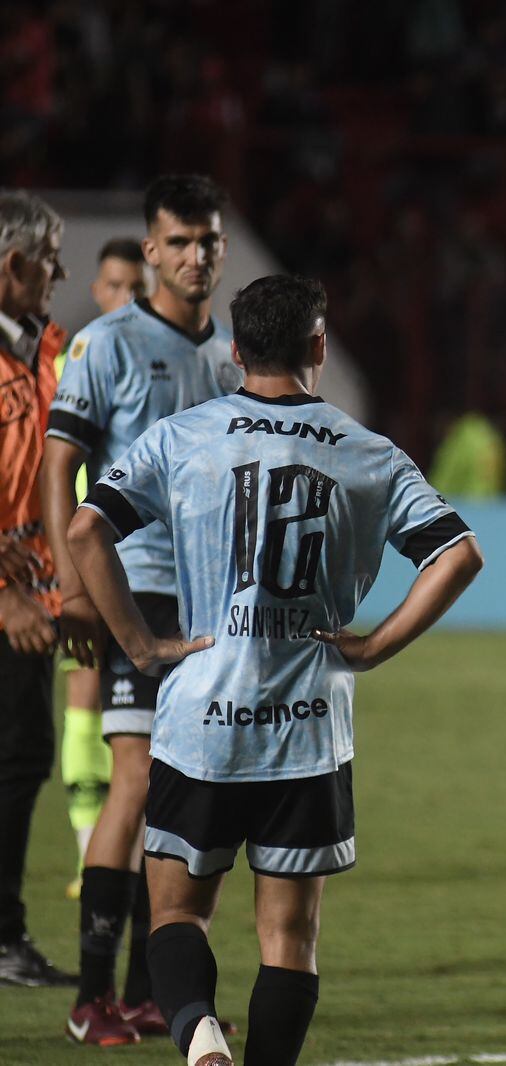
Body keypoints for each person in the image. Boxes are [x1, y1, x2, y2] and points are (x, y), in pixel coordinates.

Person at [67, 273, 484, 1066]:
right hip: (309, 728)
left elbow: (88, 531)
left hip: (202, 725)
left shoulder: (183, 436)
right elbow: (458, 554)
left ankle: (198, 1036)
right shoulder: (369, 454)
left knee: (177, 916)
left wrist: (144, 646)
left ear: (234, 350)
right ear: (319, 346)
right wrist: (373, 645)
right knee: (289, 938)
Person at [46, 175, 241, 1045]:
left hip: (210, 600)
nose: (197, 256)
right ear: (151, 250)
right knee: (135, 781)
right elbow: (61, 469)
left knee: (185, 794)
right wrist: (74, 585)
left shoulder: (233, 356)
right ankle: (93, 999)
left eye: (210, 241)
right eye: (181, 241)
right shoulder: (107, 344)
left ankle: (149, 991)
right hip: (131, 582)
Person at [0, 188, 76, 988]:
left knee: (22, 759)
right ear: (14, 264)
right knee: (16, 759)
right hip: (10, 603)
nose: (60, 270)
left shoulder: (43, 351)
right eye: (49, 256)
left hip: (36, 596)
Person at [60, 237, 149, 901]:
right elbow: (54, 463)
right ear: (99, 289)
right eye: (116, 286)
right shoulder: (83, 357)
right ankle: (88, 843)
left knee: (126, 733)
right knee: (84, 697)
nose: (126, 298)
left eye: (135, 287)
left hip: (133, 563)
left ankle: (102, 850)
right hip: (83, 557)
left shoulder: (154, 356)